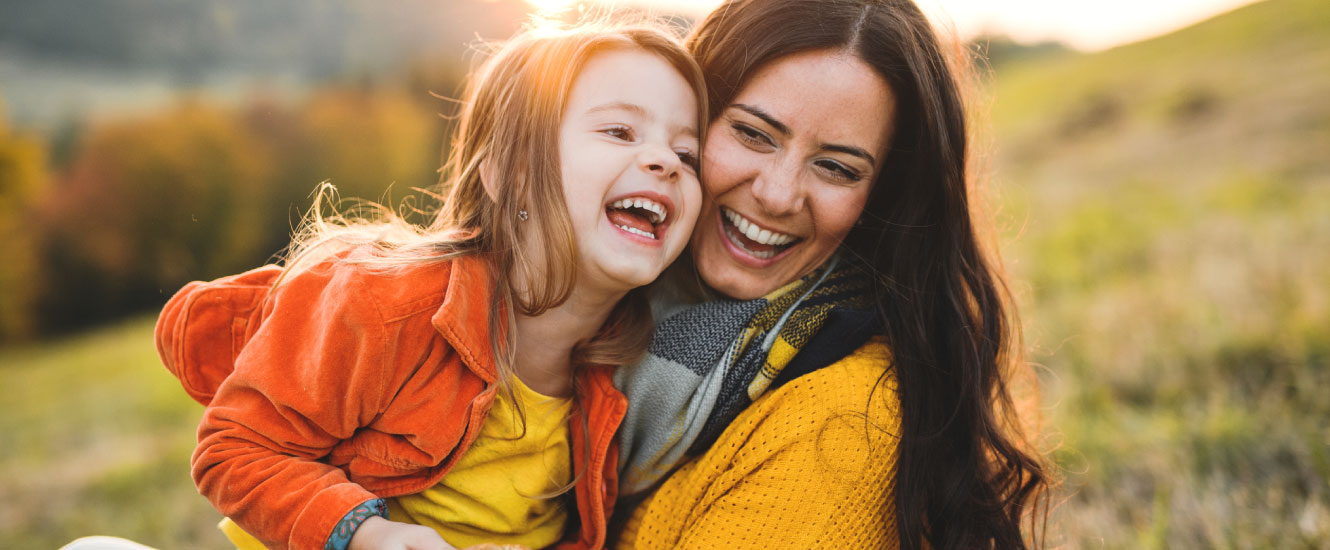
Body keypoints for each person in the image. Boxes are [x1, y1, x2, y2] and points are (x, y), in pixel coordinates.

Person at [151, 20, 706, 550]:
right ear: (509, 172)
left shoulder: (628, 374)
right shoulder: (383, 305)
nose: (665, 161)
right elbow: (235, 449)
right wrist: (368, 535)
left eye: (687, 153)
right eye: (619, 131)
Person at [610, 1, 1051, 549]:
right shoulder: (594, 304)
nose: (777, 194)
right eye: (753, 133)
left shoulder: (839, 425)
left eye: (837, 168)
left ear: (881, 196)